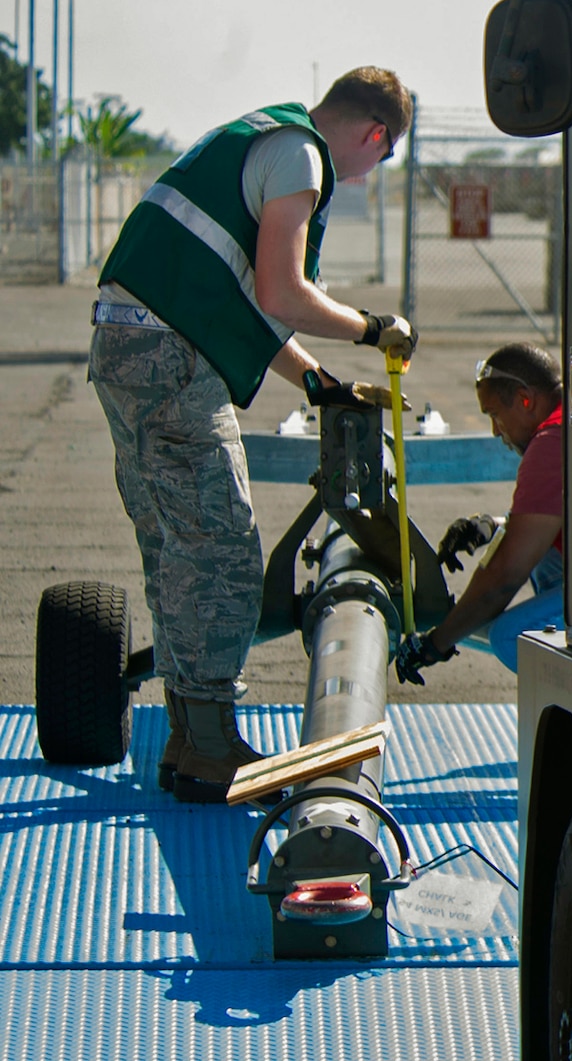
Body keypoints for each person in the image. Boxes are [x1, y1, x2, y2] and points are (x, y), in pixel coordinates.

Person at [89, 67, 418, 803]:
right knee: (224, 551)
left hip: (129, 346)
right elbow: (283, 292)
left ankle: (186, 734)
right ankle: (211, 747)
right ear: (373, 134)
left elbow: (234, 298)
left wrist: (314, 379)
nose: (368, 174)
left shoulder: (255, 137)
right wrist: (374, 327)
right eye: (382, 156)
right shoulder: (302, 156)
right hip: (172, 360)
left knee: (176, 546)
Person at [393, 343, 564, 683]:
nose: (495, 431)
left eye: (494, 415)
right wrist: (490, 527)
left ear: (525, 399)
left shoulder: (550, 445)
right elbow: (560, 524)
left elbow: (504, 577)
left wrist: (435, 644)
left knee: (511, 635)